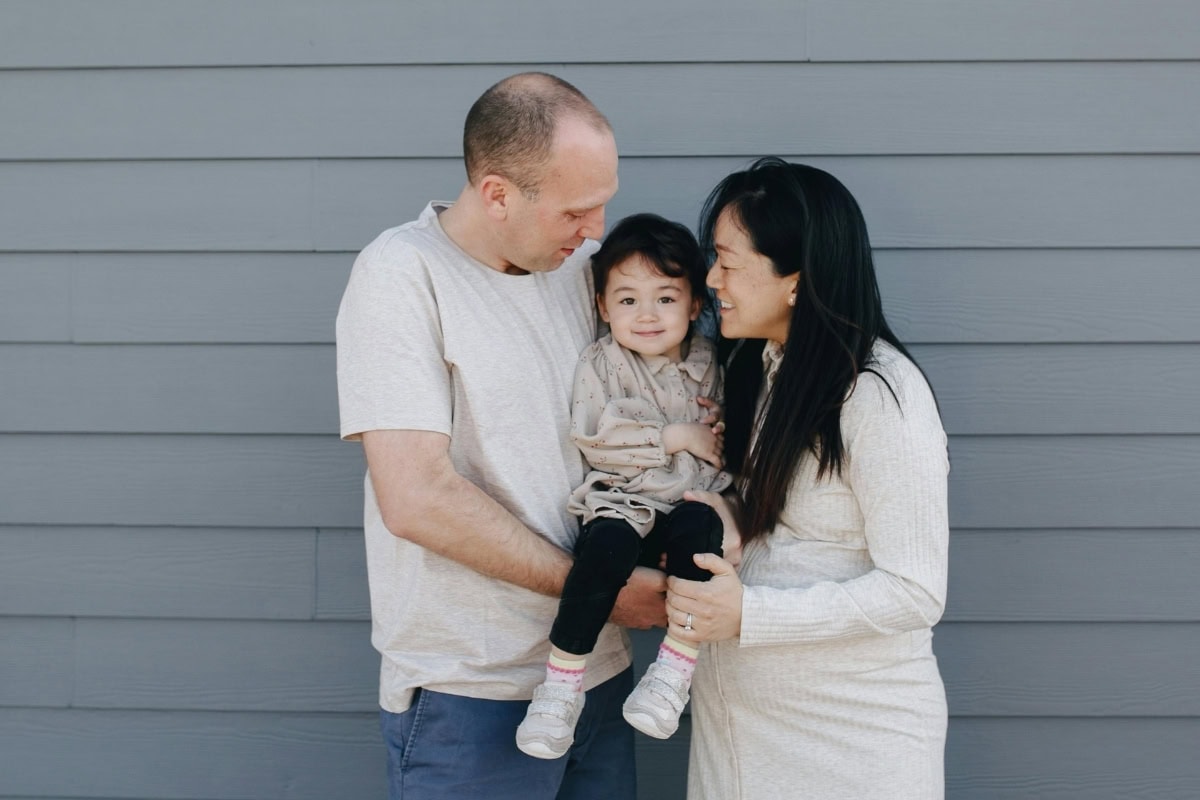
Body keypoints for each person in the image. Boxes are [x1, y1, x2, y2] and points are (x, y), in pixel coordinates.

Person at [335, 72, 667, 800]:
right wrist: (604, 591)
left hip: (596, 678)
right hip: (474, 692)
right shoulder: (401, 277)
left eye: (603, 202)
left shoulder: (583, 271)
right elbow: (417, 497)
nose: (597, 231)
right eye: (577, 210)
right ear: (497, 194)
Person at [665, 157, 950, 799]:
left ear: (795, 278)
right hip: (740, 737)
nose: (711, 280)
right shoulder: (761, 367)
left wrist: (749, 614)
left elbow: (915, 590)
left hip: (850, 744)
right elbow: (780, 514)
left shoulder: (878, 395)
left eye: (727, 261)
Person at [515, 213, 733, 759]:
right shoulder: (600, 362)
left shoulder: (712, 363)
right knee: (602, 552)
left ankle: (675, 669)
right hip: (624, 497)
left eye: (665, 298)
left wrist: (725, 430)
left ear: (695, 305)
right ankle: (562, 685)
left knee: (702, 543)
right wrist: (677, 434)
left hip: (690, 496)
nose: (647, 315)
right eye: (628, 300)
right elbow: (595, 438)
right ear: (603, 307)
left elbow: (729, 436)